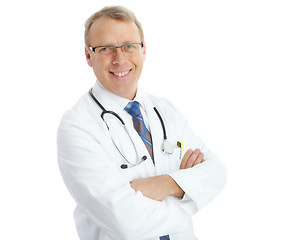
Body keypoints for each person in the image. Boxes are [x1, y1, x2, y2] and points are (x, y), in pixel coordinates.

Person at [57, 5, 227, 240]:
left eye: (129, 46)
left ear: (143, 50)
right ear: (88, 55)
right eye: (106, 48)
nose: (119, 59)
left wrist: (165, 184)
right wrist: (189, 190)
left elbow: (217, 172)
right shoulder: (76, 127)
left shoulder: (165, 110)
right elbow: (127, 223)